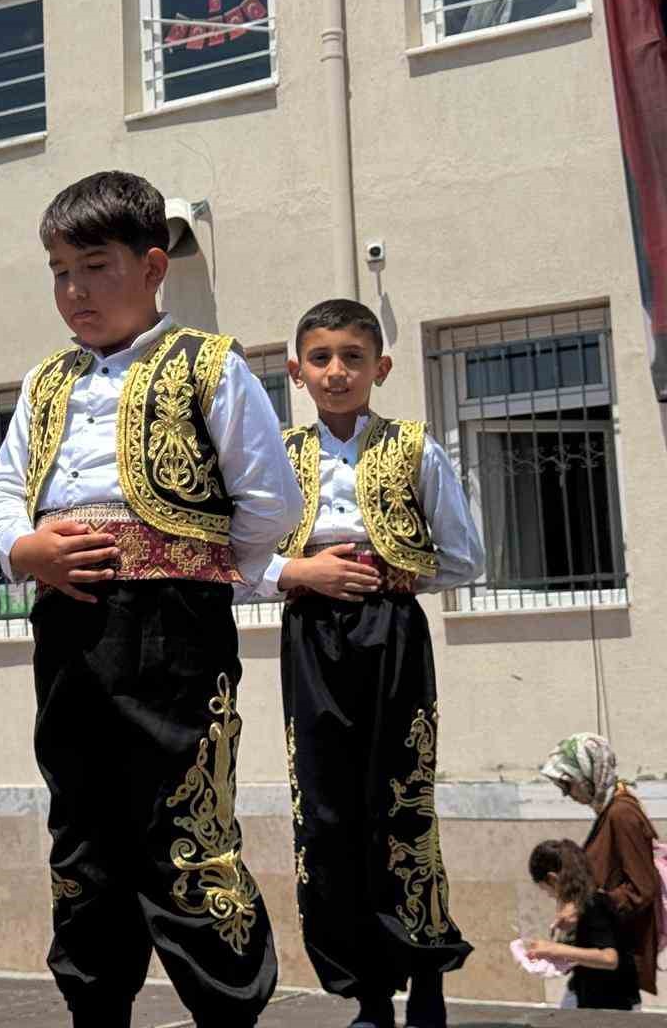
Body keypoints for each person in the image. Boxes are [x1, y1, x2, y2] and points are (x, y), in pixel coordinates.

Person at [0, 171, 304, 1028]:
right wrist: (25, 547)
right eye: (59, 272)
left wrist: (187, 559)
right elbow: (1, 488)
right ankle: (95, 1009)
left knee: (186, 824)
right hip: (70, 628)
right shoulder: (45, 382)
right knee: (82, 828)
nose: (75, 291)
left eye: (96, 266)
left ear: (154, 266)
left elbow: (270, 500)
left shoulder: (208, 364)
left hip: (175, 631)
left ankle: (226, 1010)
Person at [262, 299, 483, 1028]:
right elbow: (235, 559)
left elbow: (465, 555)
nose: (336, 372)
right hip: (311, 634)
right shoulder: (274, 455)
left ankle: (425, 976)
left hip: (391, 633)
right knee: (325, 811)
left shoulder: (417, 447)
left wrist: (405, 572)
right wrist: (299, 573)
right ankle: (365, 994)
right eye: (320, 357)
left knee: (401, 803)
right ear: (296, 371)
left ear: (380, 368)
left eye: (353, 357)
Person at [541, 733, 660, 998]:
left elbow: (643, 888)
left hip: (613, 960)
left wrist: (587, 908)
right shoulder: (609, 810)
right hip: (601, 959)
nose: (565, 794)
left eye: (567, 784)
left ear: (587, 774)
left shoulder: (621, 814)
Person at [525, 839, 641, 1011]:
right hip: (589, 996)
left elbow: (609, 958)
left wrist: (554, 949)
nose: (549, 896)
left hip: (611, 1005)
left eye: (545, 889)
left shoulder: (595, 904)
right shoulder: (584, 904)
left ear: (553, 879)